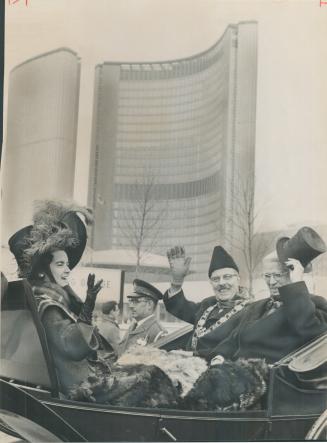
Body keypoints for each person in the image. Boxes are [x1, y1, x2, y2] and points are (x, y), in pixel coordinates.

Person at [8, 201, 179, 407]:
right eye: (60, 264)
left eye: (67, 264)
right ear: (43, 271)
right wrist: (88, 307)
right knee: (156, 376)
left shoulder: (38, 301)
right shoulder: (49, 306)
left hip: (78, 384)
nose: (67, 270)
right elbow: (75, 347)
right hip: (86, 389)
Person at [207, 228, 327, 365]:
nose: (271, 282)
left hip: (271, 379)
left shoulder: (315, 305)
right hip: (233, 370)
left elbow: (309, 331)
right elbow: (234, 339)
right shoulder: (257, 306)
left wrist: (297, 284)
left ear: (295, 273)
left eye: (278, 275)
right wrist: (219, 356)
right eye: (267, 276)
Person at [163, 245, 251, 358]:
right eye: (215, 279)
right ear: (211, 283)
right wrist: (177, 281)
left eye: (227, 277)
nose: (221, 283)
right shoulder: (209, 304)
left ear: (238, 279)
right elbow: (180, 308)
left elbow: (236, 350)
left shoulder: (251, 310)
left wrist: (192, 355)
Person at [119, 279, 167, 354]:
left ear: (149, 305)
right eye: (131, 301)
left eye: (136, 301)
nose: (131, 306)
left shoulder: (158, 332)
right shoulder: (133, 326)